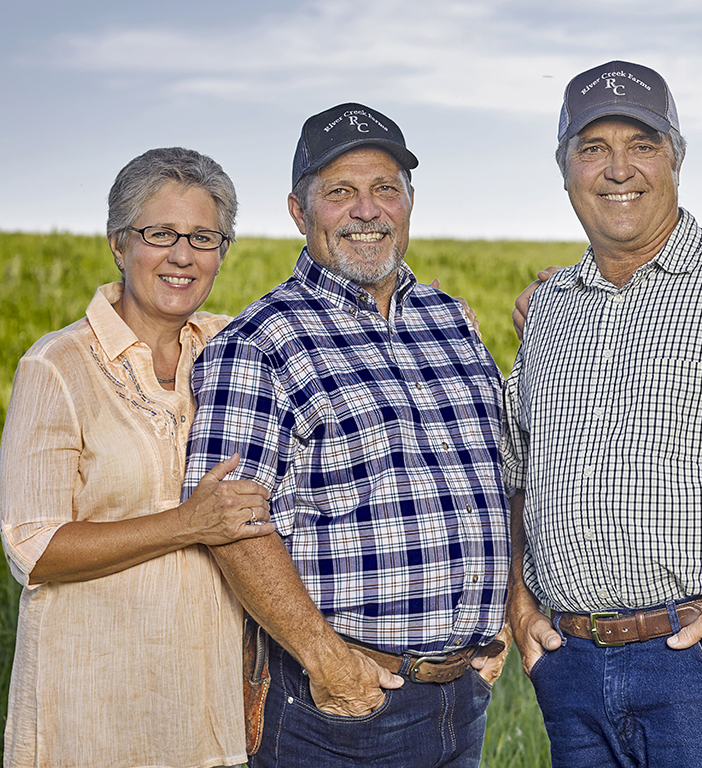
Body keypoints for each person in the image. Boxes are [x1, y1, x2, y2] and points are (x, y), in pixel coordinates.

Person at [502, 60, 702, 767]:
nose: (619, 170)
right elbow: (518, 474)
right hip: (574, 669)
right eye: (593, 149)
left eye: (641, 145)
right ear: (565, 170)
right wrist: (520, 610)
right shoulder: (551, 310)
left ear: (676, 157)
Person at [182, 102, 510, 768]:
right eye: (340, 193)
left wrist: (497, 623)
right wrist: (325, 660)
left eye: (385, 188)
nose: (367, 210)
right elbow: (231, 526)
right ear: (300, 214)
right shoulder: (260, 343)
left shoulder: (451, 322)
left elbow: (498, 479)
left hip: (461, 700)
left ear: (409, 202)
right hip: (341, 712)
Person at [0, 147, 275, 767]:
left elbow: (330, 352)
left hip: (208, 721)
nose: (183, 255)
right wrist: (188, 524)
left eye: (204, 237)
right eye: (160, 233)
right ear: (119, 244)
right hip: (91, 716)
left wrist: (417, 312)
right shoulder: (57, 367)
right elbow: (31, 548)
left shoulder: (234, 349)